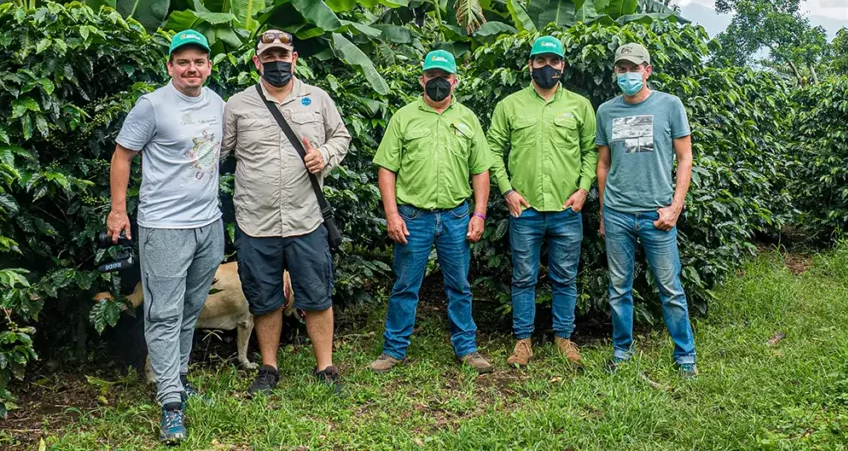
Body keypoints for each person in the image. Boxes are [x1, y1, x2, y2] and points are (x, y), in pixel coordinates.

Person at [108, 29, 225, 445]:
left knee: (192, 306)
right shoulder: (152, 105)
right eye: (183, 62)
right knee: (163, 312)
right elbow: (122, 156)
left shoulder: (217, 103)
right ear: (170, 66)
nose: (191, 68)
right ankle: (170, 403)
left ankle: (178, 378)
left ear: (209, 66)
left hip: (209, 224)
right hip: (164, 227)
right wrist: (119, 210)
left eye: (199, 61)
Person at [221, 29, 351, 397]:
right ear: (257, 61)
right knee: (264, 298)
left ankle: (326, 366)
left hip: (305, 217)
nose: (277, 62)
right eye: (269, 56)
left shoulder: (318, 98)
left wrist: (323, 156)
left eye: (283, 56)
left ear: (294, 59)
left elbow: (341, 137)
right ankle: (268, 367)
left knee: (317, 295)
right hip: (255, 219)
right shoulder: (238, 105)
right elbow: (220, 152)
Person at [369, 49, 494, 375]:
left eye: (445, 77)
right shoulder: (404, 117)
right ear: (423, 79)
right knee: (405, 286)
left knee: (460, 287)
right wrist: (392, 214)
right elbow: (387, 169)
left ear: (454, 80)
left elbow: (481, 170)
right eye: (433, 77)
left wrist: (479, 214)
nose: (439, 82)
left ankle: (467, 349)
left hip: (455, 216)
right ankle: (393, 350)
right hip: (413, 217)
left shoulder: (468, 118)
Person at [487, 35, 596, 369]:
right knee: (523, 278)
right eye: (540, 61)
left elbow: (592, 150)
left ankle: (565, 338)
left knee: (565, 277)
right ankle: (523, 342)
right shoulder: (510, 105)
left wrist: (583, 189)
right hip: (526, 210)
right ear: (530, 65)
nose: (547, 67)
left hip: (567, 210)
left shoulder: (579, 106)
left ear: (562, 65)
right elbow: (493, 149)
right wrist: (506, 190)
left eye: (553, 61)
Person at [596, 42, 698, 378]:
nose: (627, 74)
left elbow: (685, 157)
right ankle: (622, 353)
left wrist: (675, 207)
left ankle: (685, 357)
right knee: (619, 289)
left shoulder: (670, 105)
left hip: (658, 215)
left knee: (670, 289)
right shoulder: (606, 111)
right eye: (621, 68)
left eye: (633, 68)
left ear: (647, 70)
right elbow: (603, 164)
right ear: (615, 72)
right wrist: (602, 213)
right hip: (618, 214)